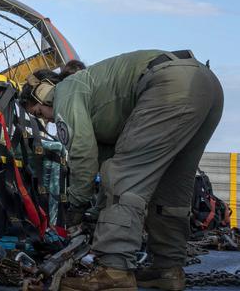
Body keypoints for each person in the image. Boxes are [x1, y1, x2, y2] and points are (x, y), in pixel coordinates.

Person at [21, 51, 223, 291]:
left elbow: (84, 157)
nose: (47, 122)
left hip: (168, 85)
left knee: (124, 177)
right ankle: (167, 269)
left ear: (43, 93)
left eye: (38, 113)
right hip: (206, 85)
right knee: (170, 189)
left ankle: (113, 270)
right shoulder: (100, 106)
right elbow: (108, 164)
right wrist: (95, 213)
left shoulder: (65, 91)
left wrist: (75, 207)